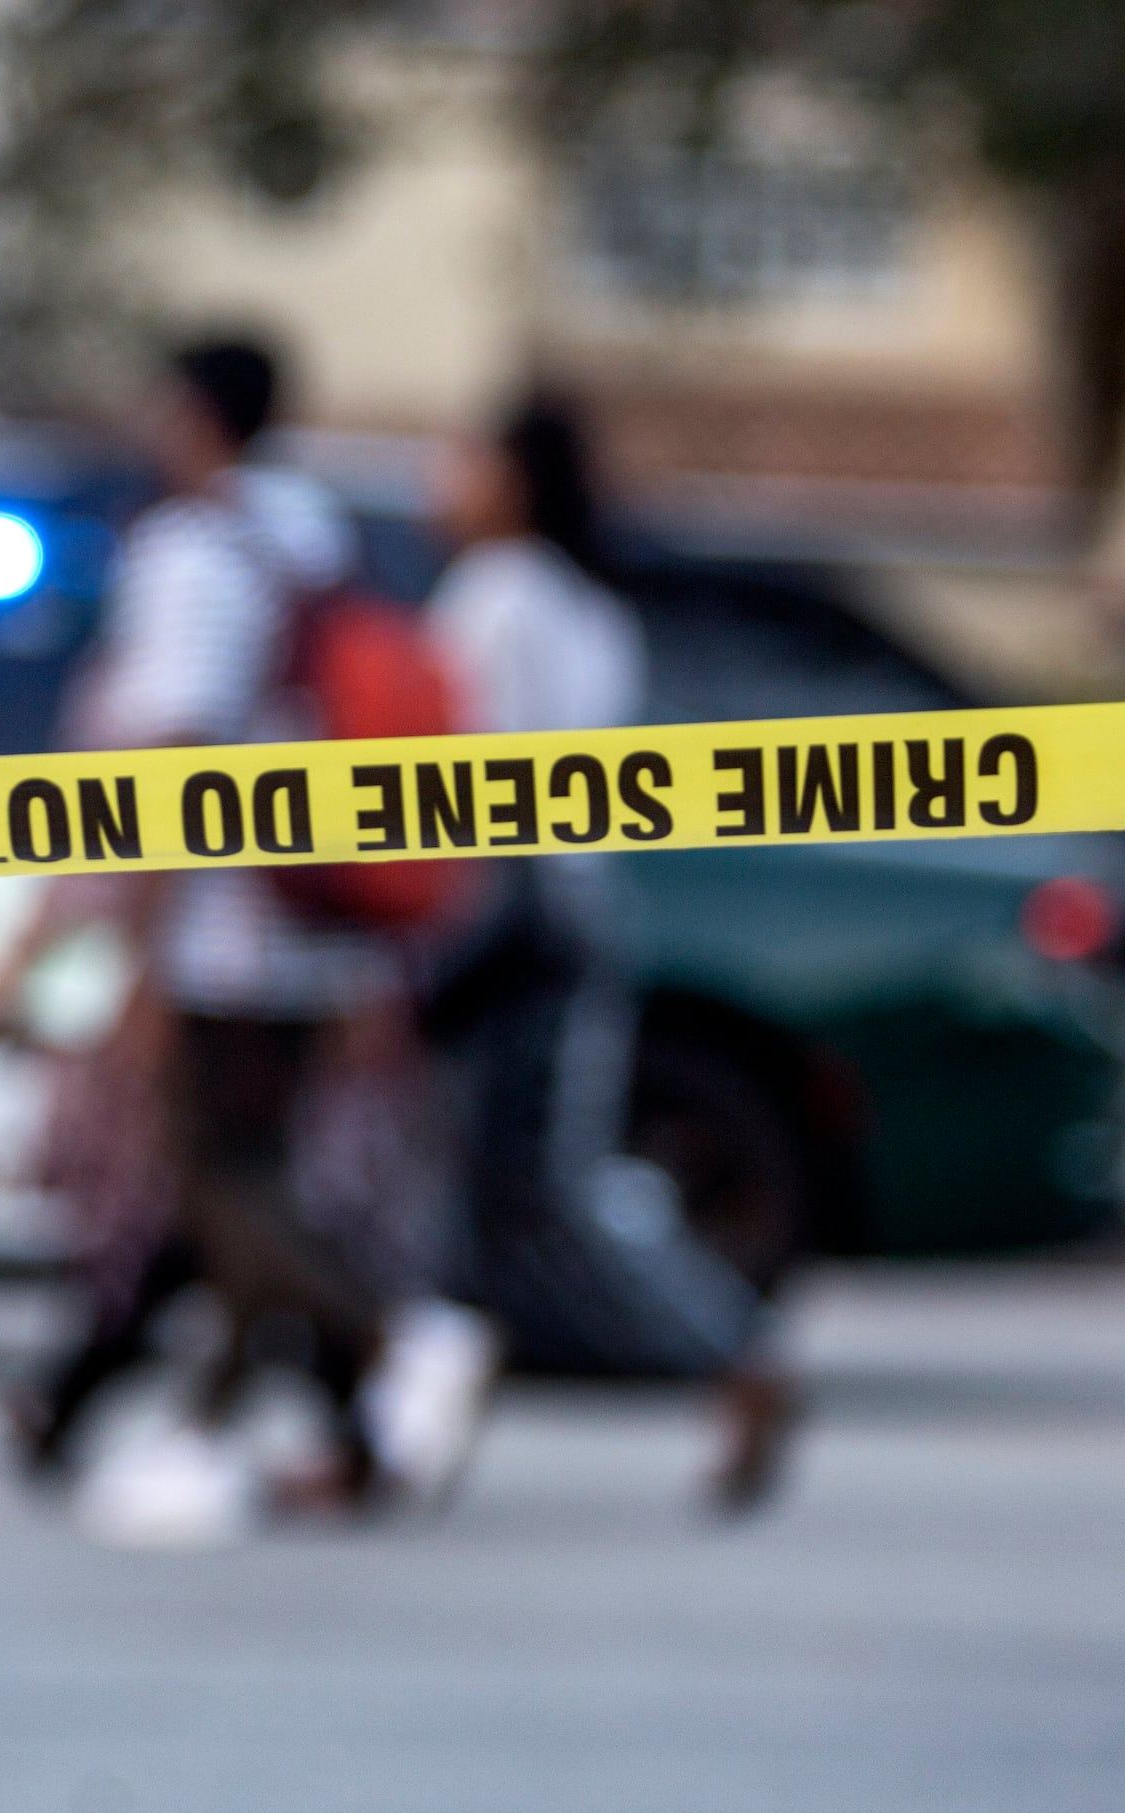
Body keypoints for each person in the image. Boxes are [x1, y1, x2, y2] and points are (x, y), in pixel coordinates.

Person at [0, 336, 494, 1541]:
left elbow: (174, 759)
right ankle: (221, 1439)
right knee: (246, 1171)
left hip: (231, 923)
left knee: (218, 1174)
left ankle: (397, 1341)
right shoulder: (307, 530)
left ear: (190, 416)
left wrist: (141, 960)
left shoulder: (189, 552)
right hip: (326, 904)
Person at [421, 396, 798, 1512]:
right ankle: (407, 1432)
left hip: (516, 913)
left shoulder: (500, 599)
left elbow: (470, 785)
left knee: (538, 1176)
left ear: (514, 480)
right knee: (478, 1189)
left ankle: (735, 1356)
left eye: (463, 460)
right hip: (574, 905)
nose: (440, 482)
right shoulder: (588, 605)